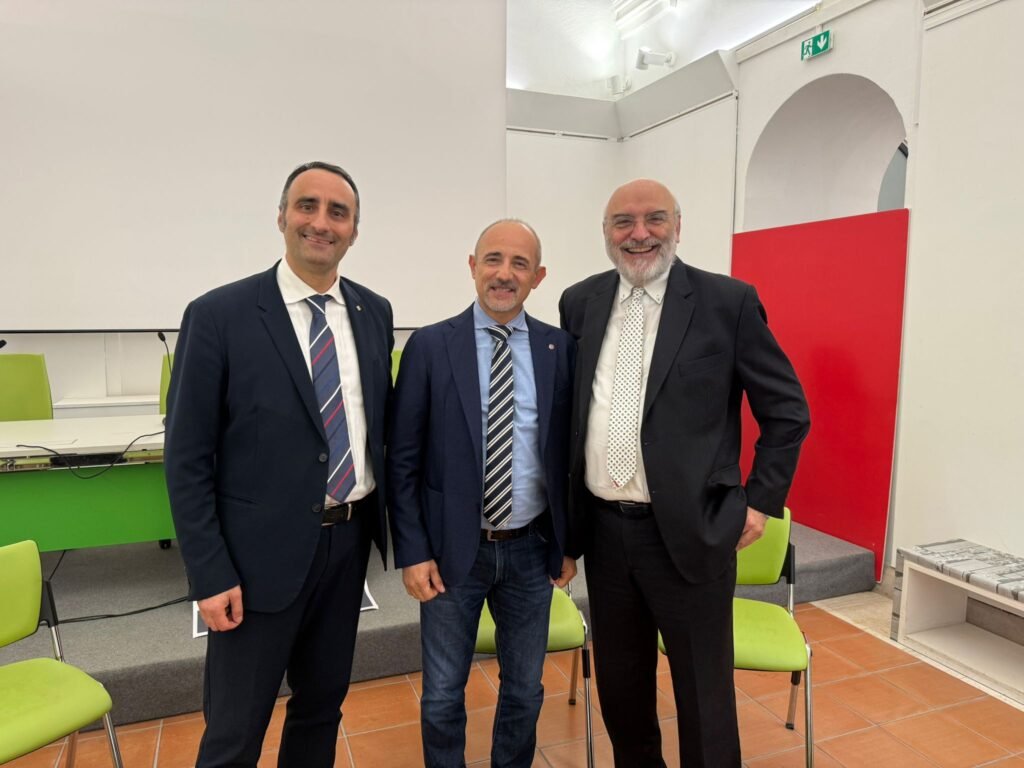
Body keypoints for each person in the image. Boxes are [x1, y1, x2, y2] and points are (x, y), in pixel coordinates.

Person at [558, 179, 810, 767]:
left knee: (704, 696)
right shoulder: (579, 302)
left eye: (654, 218)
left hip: (693, 531)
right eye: (623, 221)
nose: (639, 233)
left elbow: (787, 411)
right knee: (622, 690)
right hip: (604, 535)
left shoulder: (728, 302)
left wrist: (760, 502)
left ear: (678, 225)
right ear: (605, 232)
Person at [164, 161, 394, 768]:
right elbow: (187, 457)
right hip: (253, 564)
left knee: (320, 711)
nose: (321, 222)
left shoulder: (374, 313)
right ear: (282, 217)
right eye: (306, 206)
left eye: (338, 212)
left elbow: (376, 432)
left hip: (347, 549)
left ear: (354, 230)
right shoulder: (219, 315)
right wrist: (208, 572)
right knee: (235, 733)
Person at [388, 219, 577, 768]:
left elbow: (566, 458)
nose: (504, 274)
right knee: (443, 693)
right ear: (472, 266)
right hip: (451, 553)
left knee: (524, 690)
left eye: (520, 264)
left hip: (530, 551)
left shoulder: (559, 348)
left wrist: (567, 544)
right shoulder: (429, 346)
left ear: (539, 276)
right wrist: (413, 551)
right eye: (493, 259)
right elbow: (403, 459)